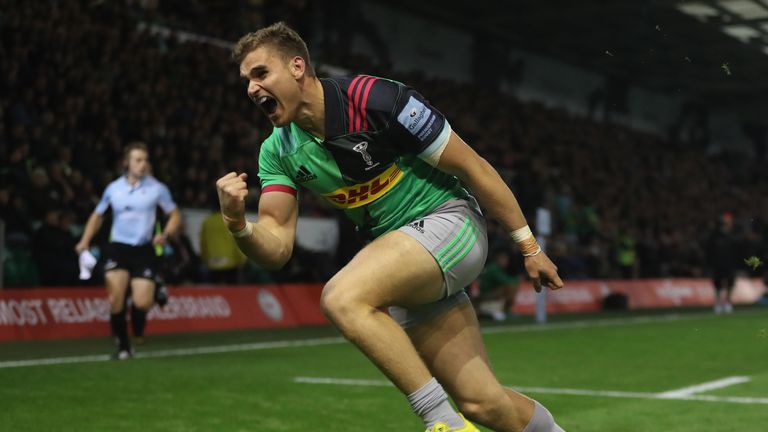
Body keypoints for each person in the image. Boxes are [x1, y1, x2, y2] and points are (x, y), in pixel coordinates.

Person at [217, 22, 565, 431]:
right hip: (403, 259)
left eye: (261, 74)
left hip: (450, 224)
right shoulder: (277, 151)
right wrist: (238, 223)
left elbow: (473, 167)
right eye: (246, 81)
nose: (252, 89)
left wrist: (529, 247)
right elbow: (276, 246)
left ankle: (441, 424)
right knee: (483, 403)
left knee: (343, 297)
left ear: (297, 67)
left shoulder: (375, 98)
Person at [75, 142, 180, 359]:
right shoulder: (113, 189)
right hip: (118, 249)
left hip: (144, 250)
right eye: (138, 160)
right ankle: (123, 347)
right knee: (116, 299)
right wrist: (84, 241)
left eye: (145, 160)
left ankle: (156, 286)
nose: (143, 164)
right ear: (127, 163)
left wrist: (165, 234)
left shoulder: (157, 188)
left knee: (141, 302)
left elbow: (175, 214)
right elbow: (98, 216)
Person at [474, 248, 522, 322]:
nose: (505, 261)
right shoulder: (494, 268)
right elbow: (506, 281)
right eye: (503, 259)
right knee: (510, 287)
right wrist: (518, 279)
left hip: (489, 294)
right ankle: (507, 311)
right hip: (486, 294)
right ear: (498, 259)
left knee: (510, 287)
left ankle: (502, 310)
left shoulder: (496, 268)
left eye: (506, 259)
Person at [706, 212, 739, 314]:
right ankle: (718, 303)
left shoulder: (734, 235)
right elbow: (709, 250)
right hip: (717, 263)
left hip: (730, 263)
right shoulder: (715, 235)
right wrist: (709, 263)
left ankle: (728, 302)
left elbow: (738, 250)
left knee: (730, 282)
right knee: (717, 283)